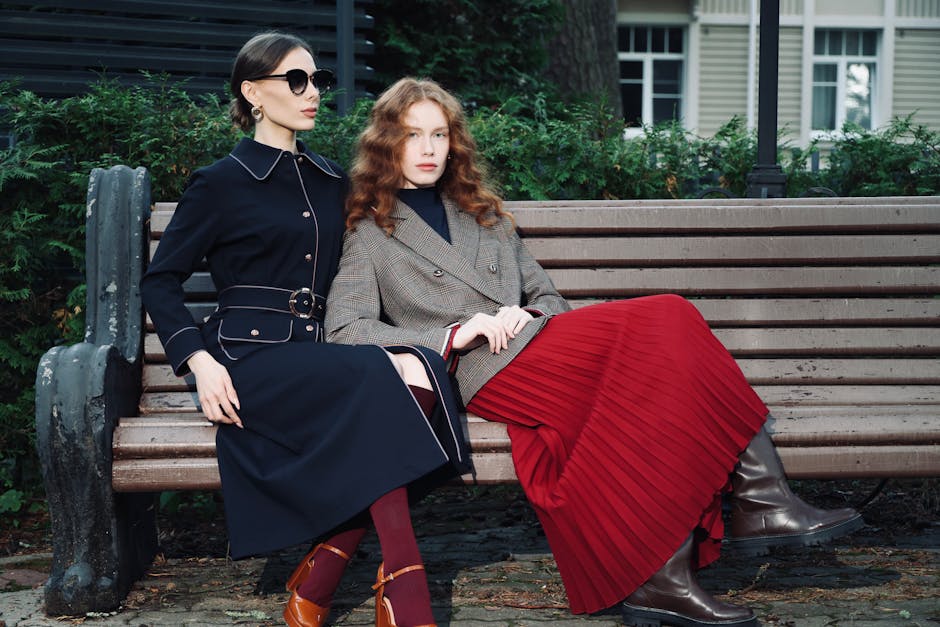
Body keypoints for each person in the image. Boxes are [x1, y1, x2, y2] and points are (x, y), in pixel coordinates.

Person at [324, 77, 865, 627]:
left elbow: (548, 298)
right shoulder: (370, 232)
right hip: (477, 368)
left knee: (657, 383)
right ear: (386, 143)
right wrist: (453, 335)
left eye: (439, 134)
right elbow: (343, 328)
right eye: (413, 135)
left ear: (454, 141)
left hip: (537, 343)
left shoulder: (482, 213)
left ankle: (667, 578)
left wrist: (526, 313)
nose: (428, 149)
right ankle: (759, 500)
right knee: (671, 313)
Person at [141, 39, 469, 627]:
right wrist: (199, 362)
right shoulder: (220, 182)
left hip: (320, 356)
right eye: (296, 80)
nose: (313, 91)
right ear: (253, 93)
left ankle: (327, 564)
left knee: (415, 372)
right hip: (245, 360)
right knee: (381, 376)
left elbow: (383, 256)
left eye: (315, 78)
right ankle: (405, 587)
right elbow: (160, 282)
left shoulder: (331, 180)